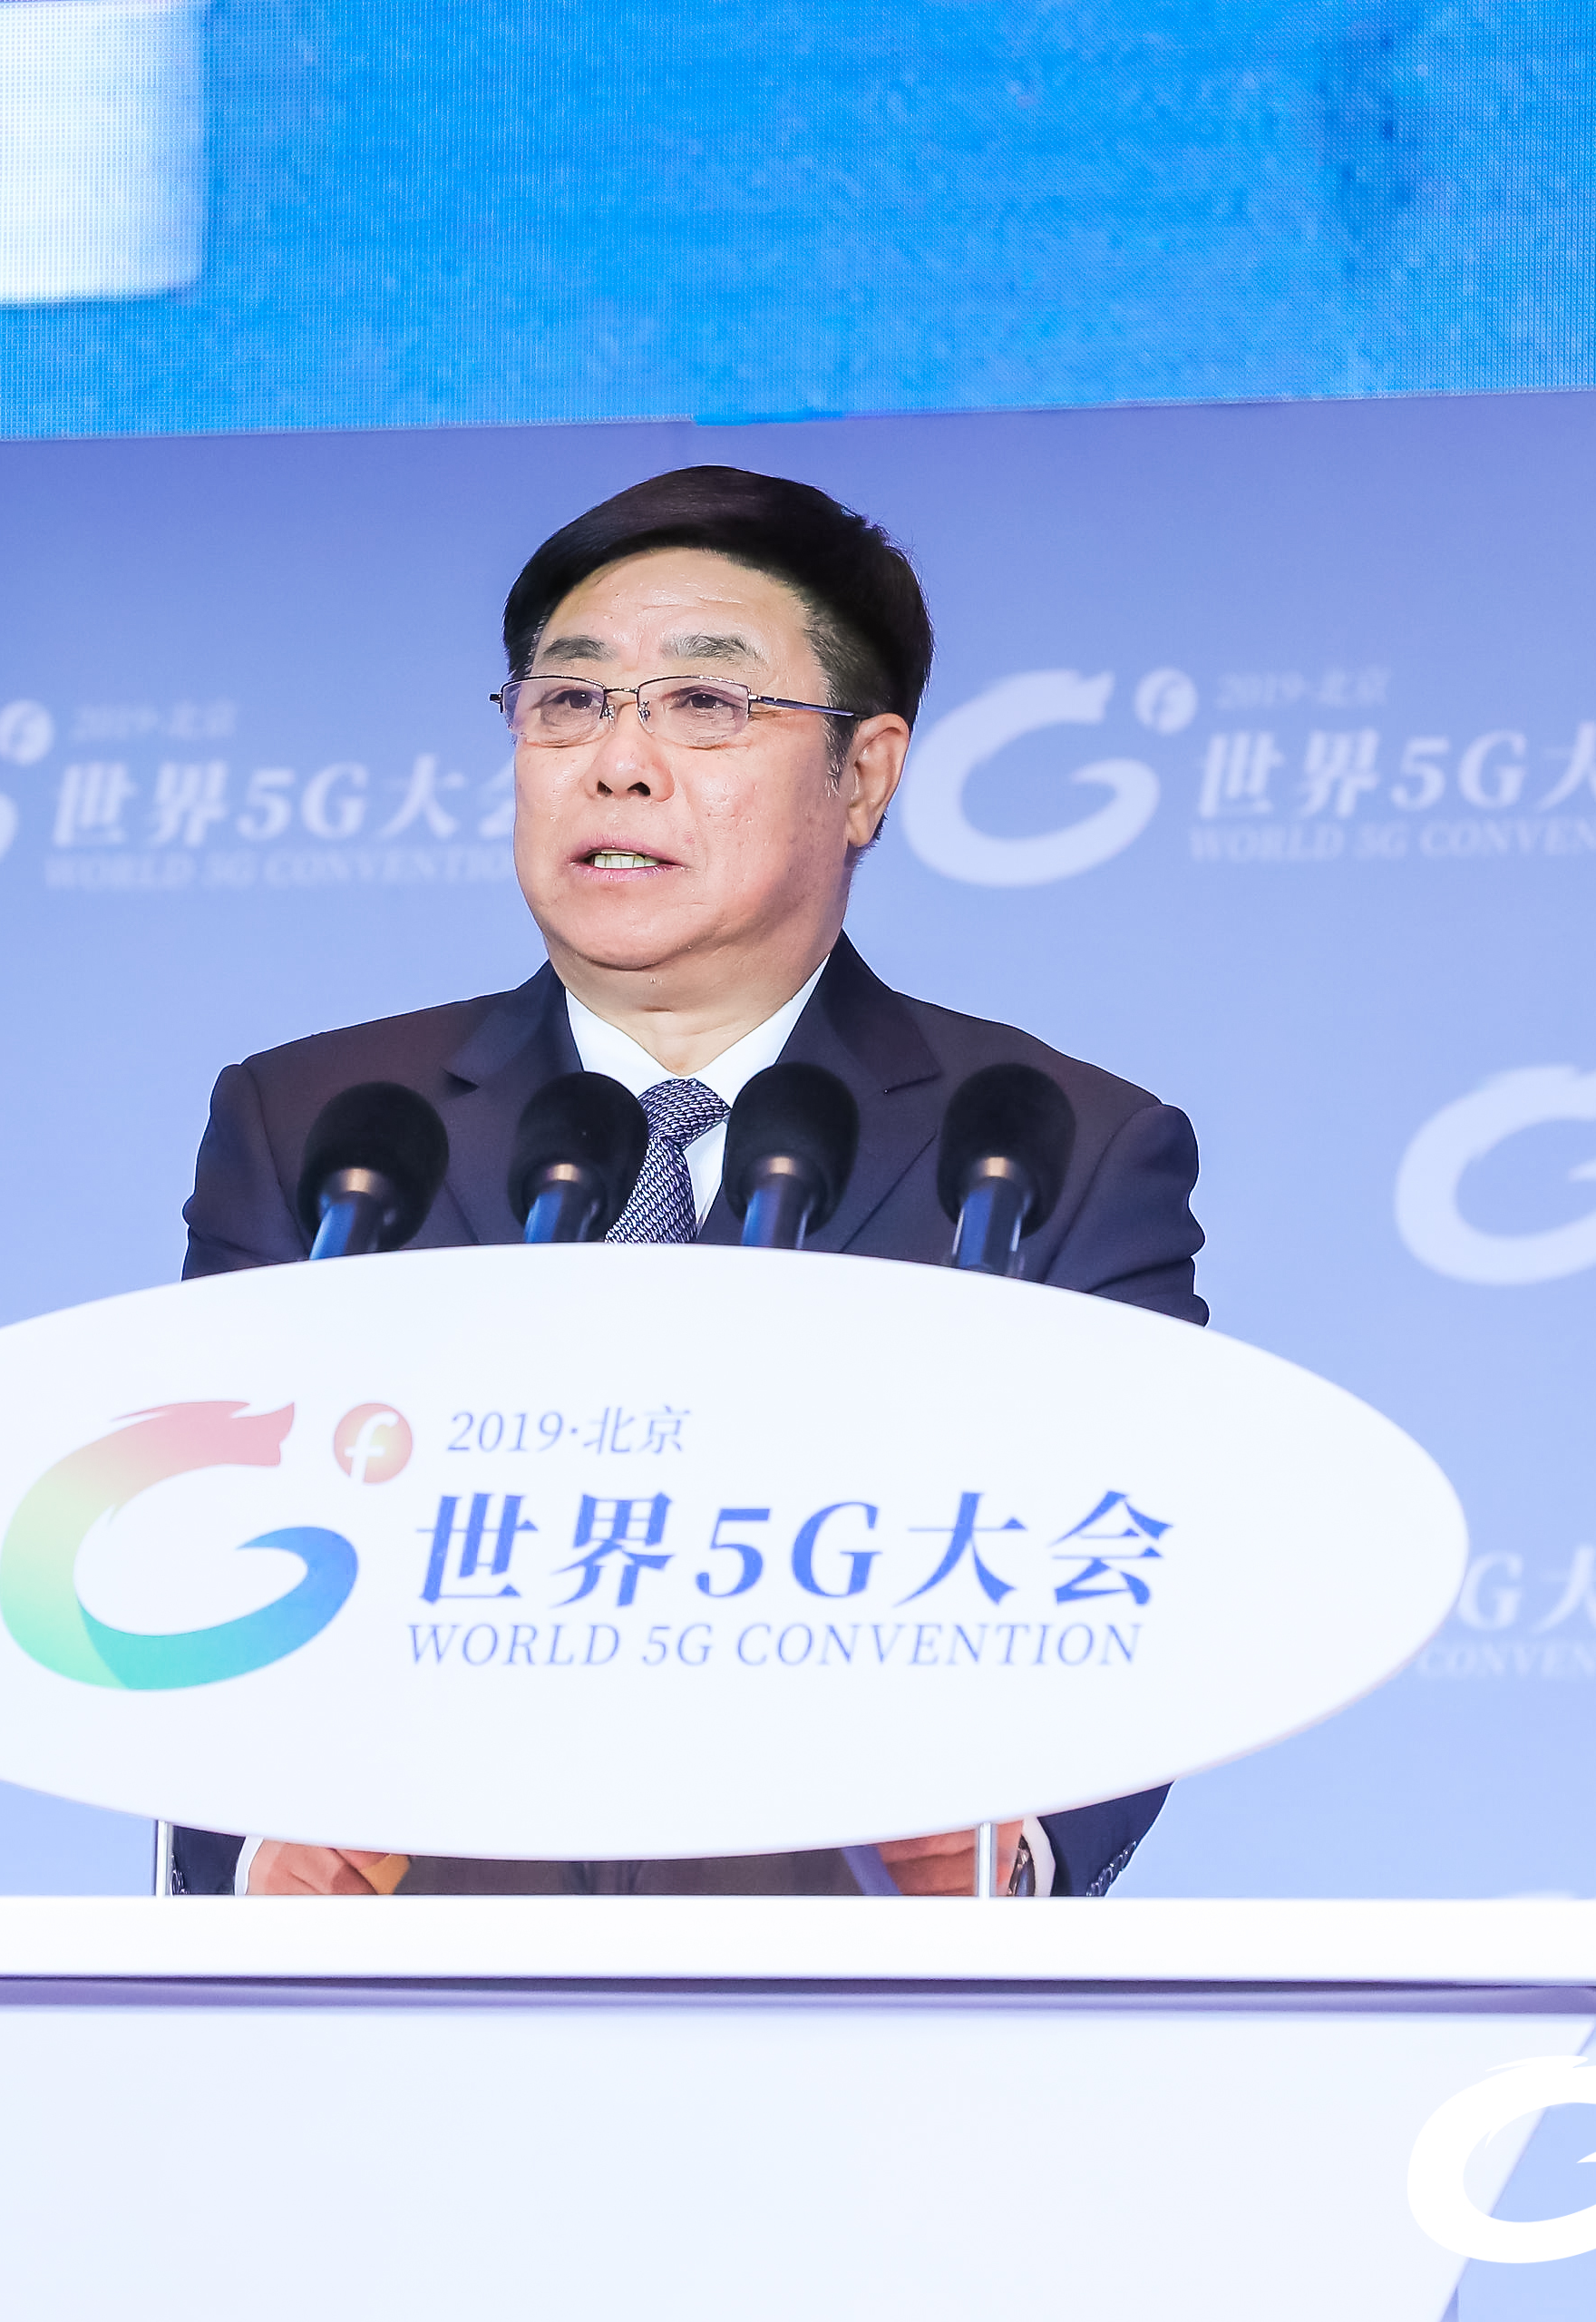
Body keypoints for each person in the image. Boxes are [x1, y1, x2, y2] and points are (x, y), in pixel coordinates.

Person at [170, 465, 1204, 1900]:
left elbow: (1138, 1595)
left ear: (865, 775)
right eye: (568, 701)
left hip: (847, 1998)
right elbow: (199, 1565)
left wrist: (1006, 1856)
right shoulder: (327, 1128)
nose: (619, 762)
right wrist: (246, 1858)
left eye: (706, 704)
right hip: (408, 1993)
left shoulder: (1055, 1150)